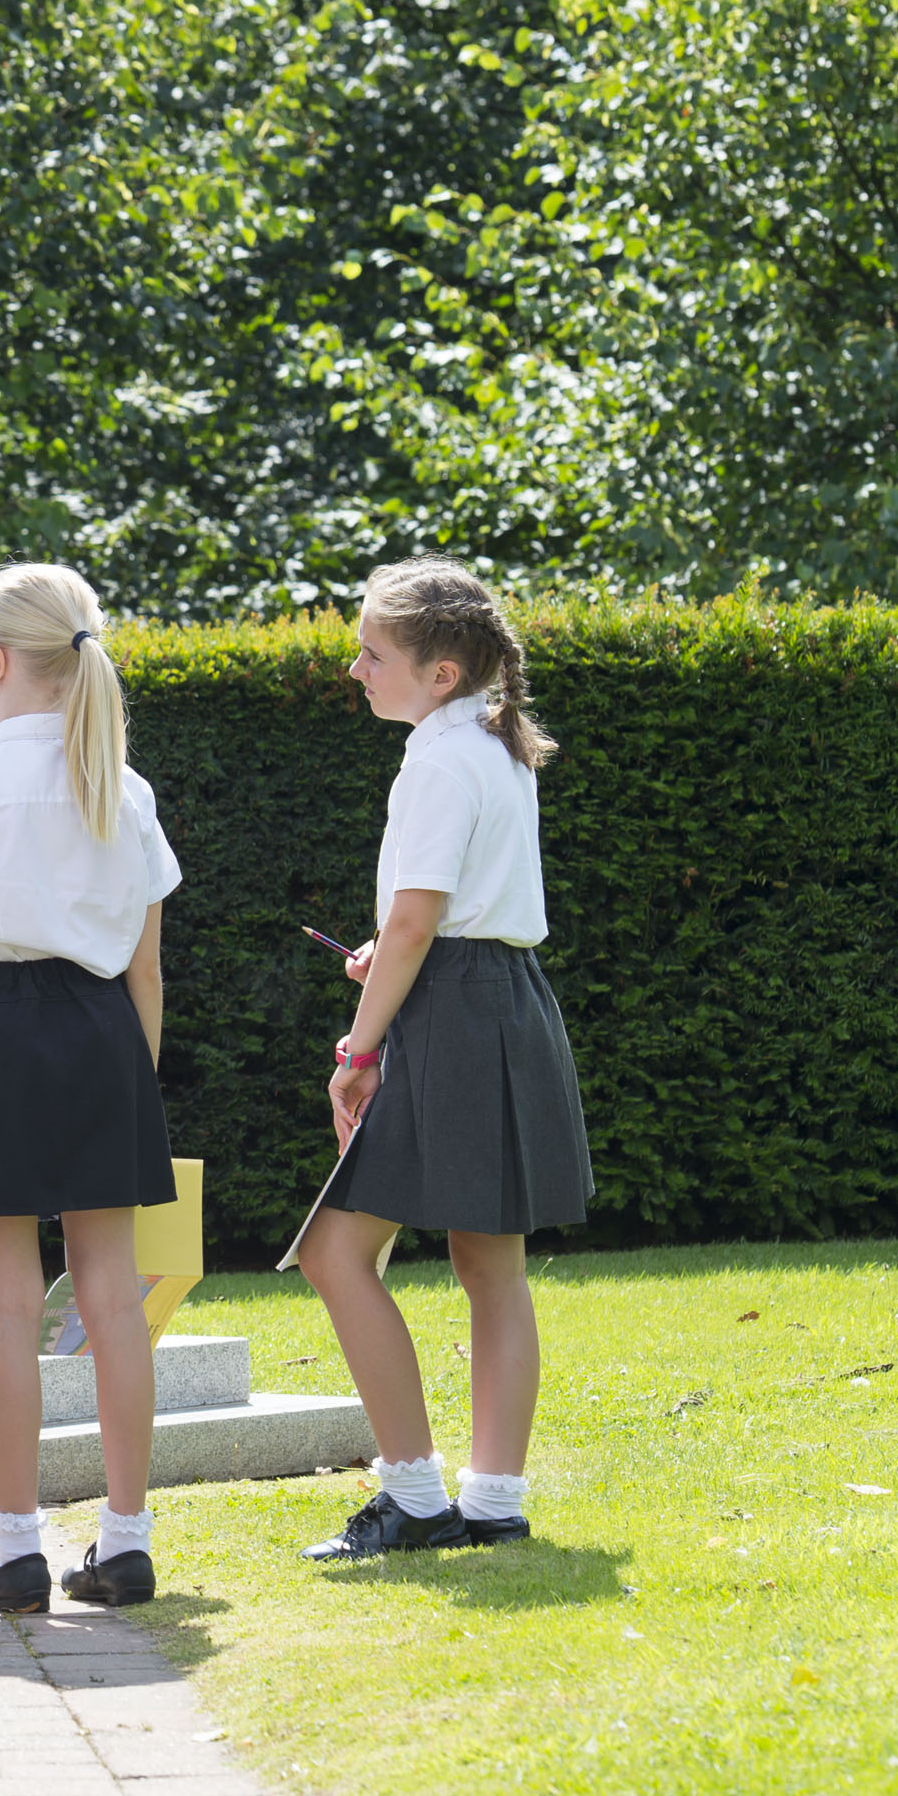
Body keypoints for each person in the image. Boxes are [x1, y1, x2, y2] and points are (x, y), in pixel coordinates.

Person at [0, 563, 180, 1611]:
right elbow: (147, 968)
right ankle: (127, 1538)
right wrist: (131, 1082)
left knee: (6, 1305)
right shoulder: (125, 786)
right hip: (104, 1035)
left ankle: (16, 1546)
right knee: (114, 1299)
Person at [294, 556, 593, 1559]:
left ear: (441, 672)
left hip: (457, 1012)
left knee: (337, 1252)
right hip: (504, 997)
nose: (356, 667)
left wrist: (360, 1044)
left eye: (373, 652)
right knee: (490, 1264)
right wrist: (396, 957)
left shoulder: (435, 755)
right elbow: (445, 916)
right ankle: (493, 1501)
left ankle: (415, 1495)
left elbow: (418, 917)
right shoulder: (497, 747)